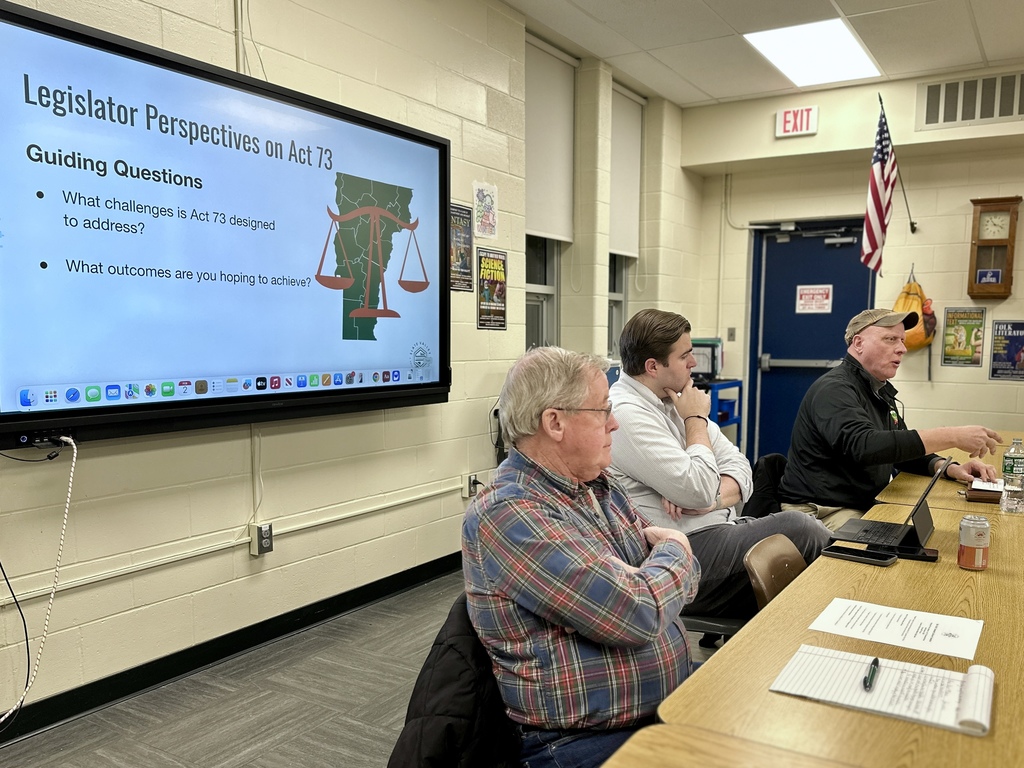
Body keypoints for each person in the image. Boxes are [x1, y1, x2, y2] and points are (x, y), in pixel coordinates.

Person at [463, 347, 700, 768]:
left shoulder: (596, 485)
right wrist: (674, 549)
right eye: (603, 410)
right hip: (580, 741)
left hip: (659, 710)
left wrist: (658, 573)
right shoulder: (509, 512)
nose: (615, 422)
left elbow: (674, 588)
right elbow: (638, 611)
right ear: (555, 422)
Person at [608, 309, 830, 621]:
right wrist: (696, 419)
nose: (694, 363)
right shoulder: (628, 414)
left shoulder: (674, 400)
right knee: (800, 529)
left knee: (802, 564)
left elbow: (740, 466)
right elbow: (698, 488)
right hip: (679, 557)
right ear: (653, 366)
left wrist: (710, 501)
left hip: (717, 530)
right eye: (685, 356)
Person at [778, 308, 1001, 529]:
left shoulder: (877, 389)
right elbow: (864, 447)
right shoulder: (834, 389)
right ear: (858, 343)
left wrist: (948, 468)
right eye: (890, 339)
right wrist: (951, 435)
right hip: (822, 510)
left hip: (857, 503)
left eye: (902, 340)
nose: (902, 349)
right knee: (892, 552)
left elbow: (901, 453)